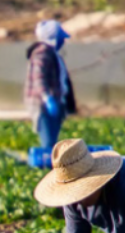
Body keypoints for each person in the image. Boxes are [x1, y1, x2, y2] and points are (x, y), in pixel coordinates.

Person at [25, 20, 77, 150]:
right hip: (43, 105)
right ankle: (47, 167)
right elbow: (38, 78)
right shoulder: (42, 53)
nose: (63, 41)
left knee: (53, 142)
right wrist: (47, 98)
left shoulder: (52, 54)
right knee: (48, 143)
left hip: (55, 102)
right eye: (61, 38)